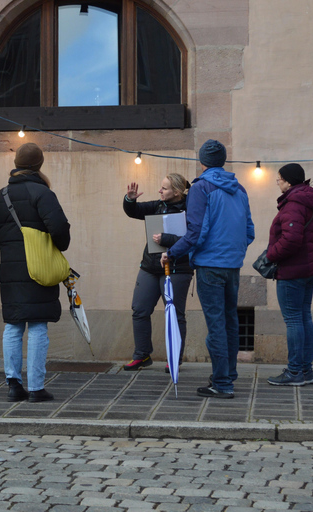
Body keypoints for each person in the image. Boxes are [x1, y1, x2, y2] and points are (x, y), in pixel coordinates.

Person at [161, 139, 254, 399]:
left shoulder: (201, 187)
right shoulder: (240, 188)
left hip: (210, 265)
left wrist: (172, 252)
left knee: (216, 324)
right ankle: (228, 374)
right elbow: (249, 231)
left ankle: (222, 382)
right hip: (232, 264)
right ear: (223, 161)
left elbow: (195, 233)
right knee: (230, 320)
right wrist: (234, 251)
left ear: (202, 161)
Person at [0, 142, 70, 403]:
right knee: (37, 325)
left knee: (12, 325)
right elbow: (59, 230)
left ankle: (13, 385)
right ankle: (36, 387)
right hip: (39, 267)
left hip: (10, 269)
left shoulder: (0, 196)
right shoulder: (43, 193)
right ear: (39, 165)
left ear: (16, 165)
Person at [123, 174, 194, 372]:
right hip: (150, 266)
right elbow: (134, 211)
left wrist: (167, 238)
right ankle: (142, 355)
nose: (159, 191)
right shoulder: (158, 205)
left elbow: (194, 237)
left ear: (177, 192)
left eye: (164, 188)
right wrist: (130, 199)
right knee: (139, 309)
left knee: (174, 314)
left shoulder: (191, 209)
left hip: (178, 268)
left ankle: (174, 358)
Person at [265, 164, 313, 386]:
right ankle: (306, 371)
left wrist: (271, 255)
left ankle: (295, 372)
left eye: (279, 178)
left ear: (289, 181)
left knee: (293, 320)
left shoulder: (293, 204)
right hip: (309, 267)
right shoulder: (307, 199)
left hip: (294, 270)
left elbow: (291, 240)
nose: (277, 182)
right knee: (303, 317)